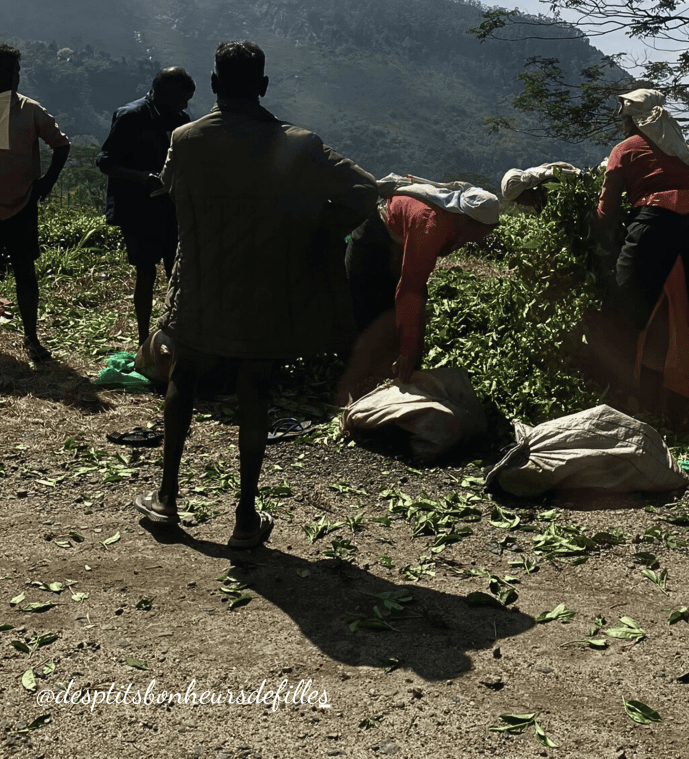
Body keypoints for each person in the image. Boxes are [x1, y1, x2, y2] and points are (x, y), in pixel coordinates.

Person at [133, 40, 377, 548]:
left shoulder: (186, 137)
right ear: (263, 85)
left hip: (199, 285)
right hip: (266, 292)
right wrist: (313, 229)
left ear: (216, 84)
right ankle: (245, 516)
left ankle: (167, 499)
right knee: (256, 392)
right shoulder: (300, 144)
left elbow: (173, 188)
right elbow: (363, 190)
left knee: (184, 378)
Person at [593, 88, 689, 406]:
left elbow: (607, 207)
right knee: (680, 309)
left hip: (653, 225)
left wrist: (598, 237)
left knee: (624, 306)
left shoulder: (626, 149)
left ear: (633, 121)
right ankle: (676, 397)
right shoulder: (681, 150)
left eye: (625, 120)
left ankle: (621, 394)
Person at [343, 178, 498, 395]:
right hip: (373, 241)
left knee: (411, 316)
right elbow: (409, 289)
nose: (483, 239)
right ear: (467, 221)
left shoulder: (458, 222)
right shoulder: (429, 226)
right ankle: (367, 386)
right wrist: (408, 350)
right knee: (372, 312)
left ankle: (404, 375)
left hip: (400, 241)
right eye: (483, 232)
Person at [97, 68, 196, 346]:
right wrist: (141, 177)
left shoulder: (180, 119)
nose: (185, 106)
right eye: (182, 99)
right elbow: (105, 162)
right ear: (163, 93)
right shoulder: (131, 116)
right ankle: (143, 339)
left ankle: (174, 335)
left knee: (174, 273)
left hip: (169, 208)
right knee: (145, 272)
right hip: (138, 210)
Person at [0, 44, 70, 362]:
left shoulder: (29, 109)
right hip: (20, 204)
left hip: (22, 204)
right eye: (9, 71)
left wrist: (47, 182)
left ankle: (31, 337)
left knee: (26, 272)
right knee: (24, 271)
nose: (14, 77)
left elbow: (61, 144)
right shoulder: (23, 109)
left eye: (15, 72)